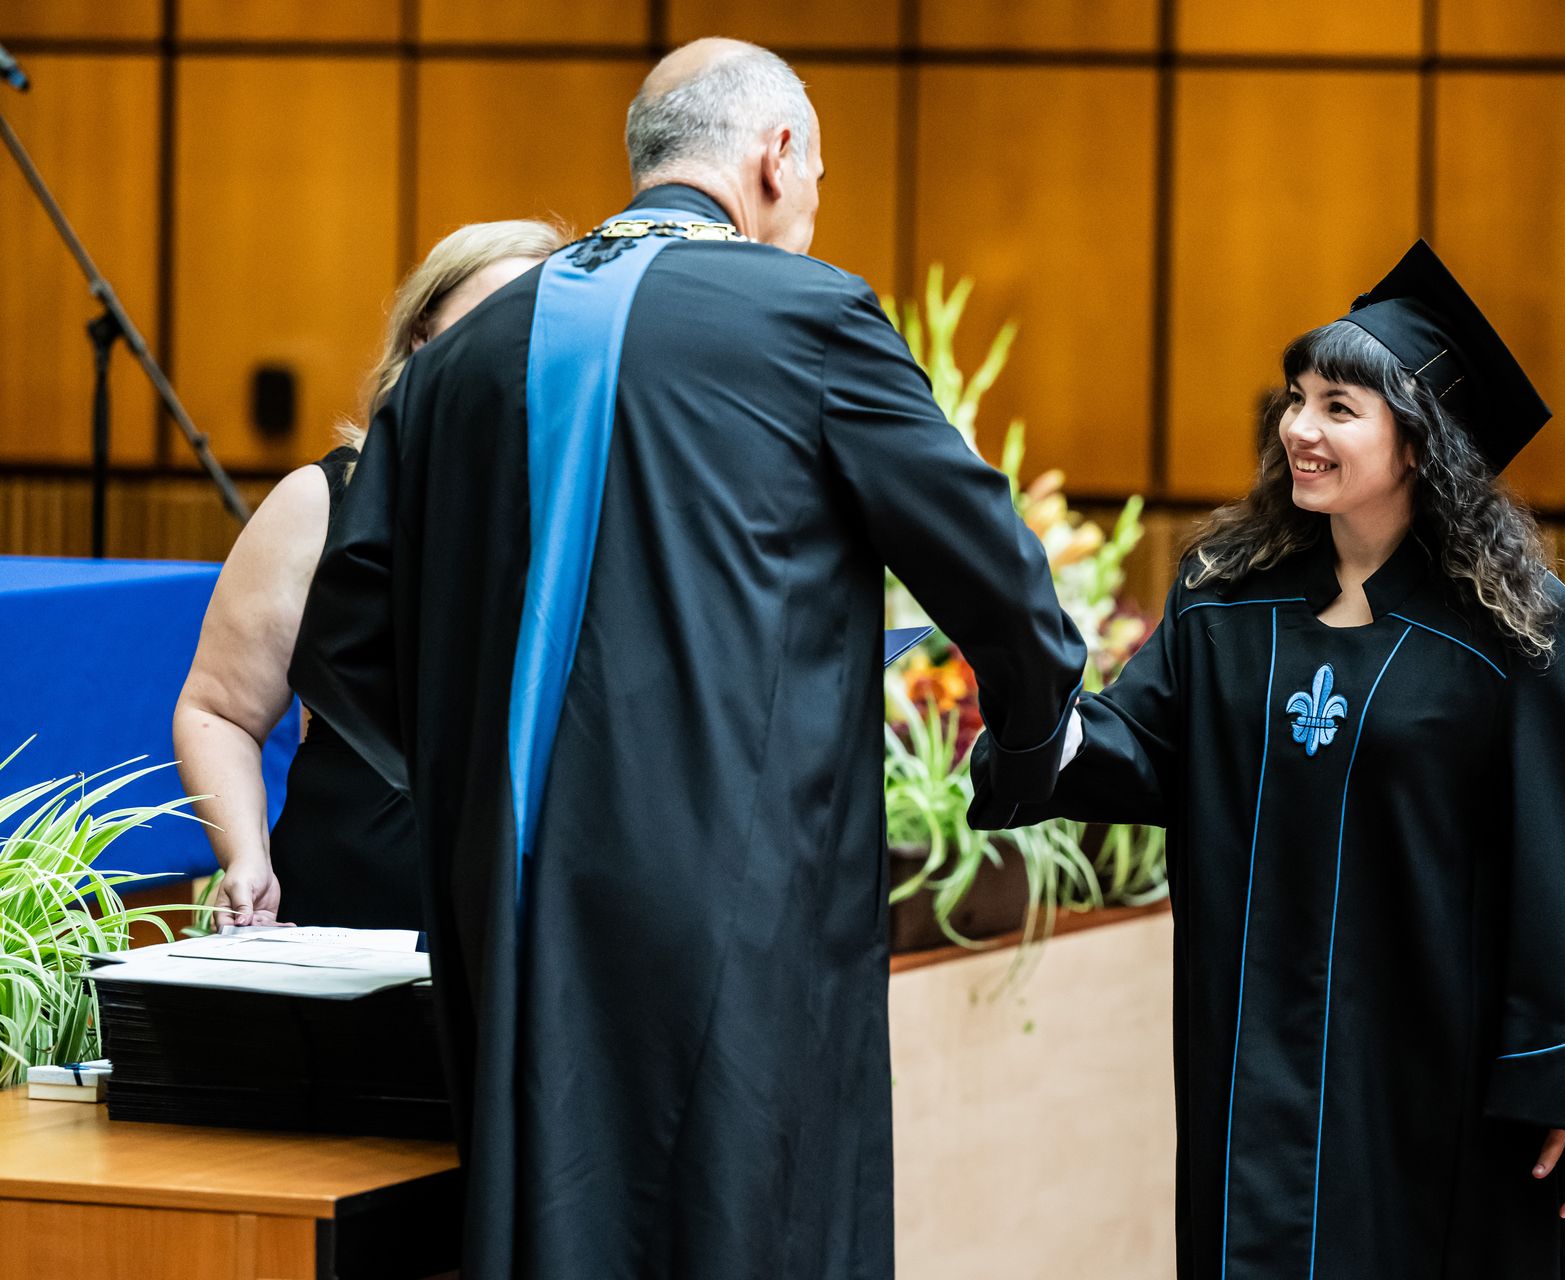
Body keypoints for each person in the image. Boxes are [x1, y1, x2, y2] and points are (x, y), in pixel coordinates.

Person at [294, 37, 1086, 1280]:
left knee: (548, 1210)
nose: (813, 201)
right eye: (815, 173)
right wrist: (1033, 751)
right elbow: (995, 574)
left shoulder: (463, 352)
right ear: (777, 155)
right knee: (740, 1211)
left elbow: (344, 637)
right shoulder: (808, 316)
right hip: (738, 880)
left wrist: (473, 785)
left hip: (507, 893)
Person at [971, 241, 1565, 1278]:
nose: (1299, 427)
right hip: (1255, 1046)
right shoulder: (1227, 598)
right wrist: (1036, 712)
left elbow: (1564, 862)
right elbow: (1146, 745)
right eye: (1296, 399)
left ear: (1416, 443)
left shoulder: (1512, 633)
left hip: (1427, 1050)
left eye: (1338, 407)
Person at [174, 219, 568, 930]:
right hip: (341, 908)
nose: (517, 344)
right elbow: (219, 711)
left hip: (531, 918)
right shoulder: (322, 503)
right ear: (422, 335)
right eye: (496, 316)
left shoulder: (589, 508)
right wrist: (246, 856)